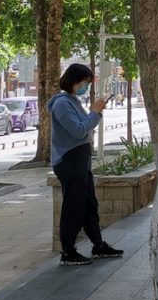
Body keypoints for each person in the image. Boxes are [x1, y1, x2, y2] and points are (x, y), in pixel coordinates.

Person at [49, 64, 124, 266]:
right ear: (75, 80)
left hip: (80, 161)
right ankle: (68, 251)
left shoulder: (72, 101)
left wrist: (95, 113)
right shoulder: (62, 104)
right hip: (70, 161)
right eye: (84, 82)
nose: (85, 87)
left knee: (89, 203)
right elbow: (78, 131)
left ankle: (98, 244)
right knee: (73, 206)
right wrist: (95, 113)